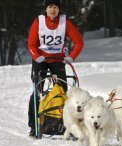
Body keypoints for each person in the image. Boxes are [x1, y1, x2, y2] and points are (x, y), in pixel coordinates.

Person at [27, 0, 84, 136]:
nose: (53, 10)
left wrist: (71, 57)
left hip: (57, 60)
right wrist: (36, 56)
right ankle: (34, 125)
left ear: (59, 10)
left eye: (55, 7)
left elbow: (79, 42)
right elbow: (31, 43)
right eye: (50, 7)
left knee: (62, 91)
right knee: (38, 90)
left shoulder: (65, 22)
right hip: (41, 59)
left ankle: (65, 124)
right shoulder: (39, 21)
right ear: (46, 10)